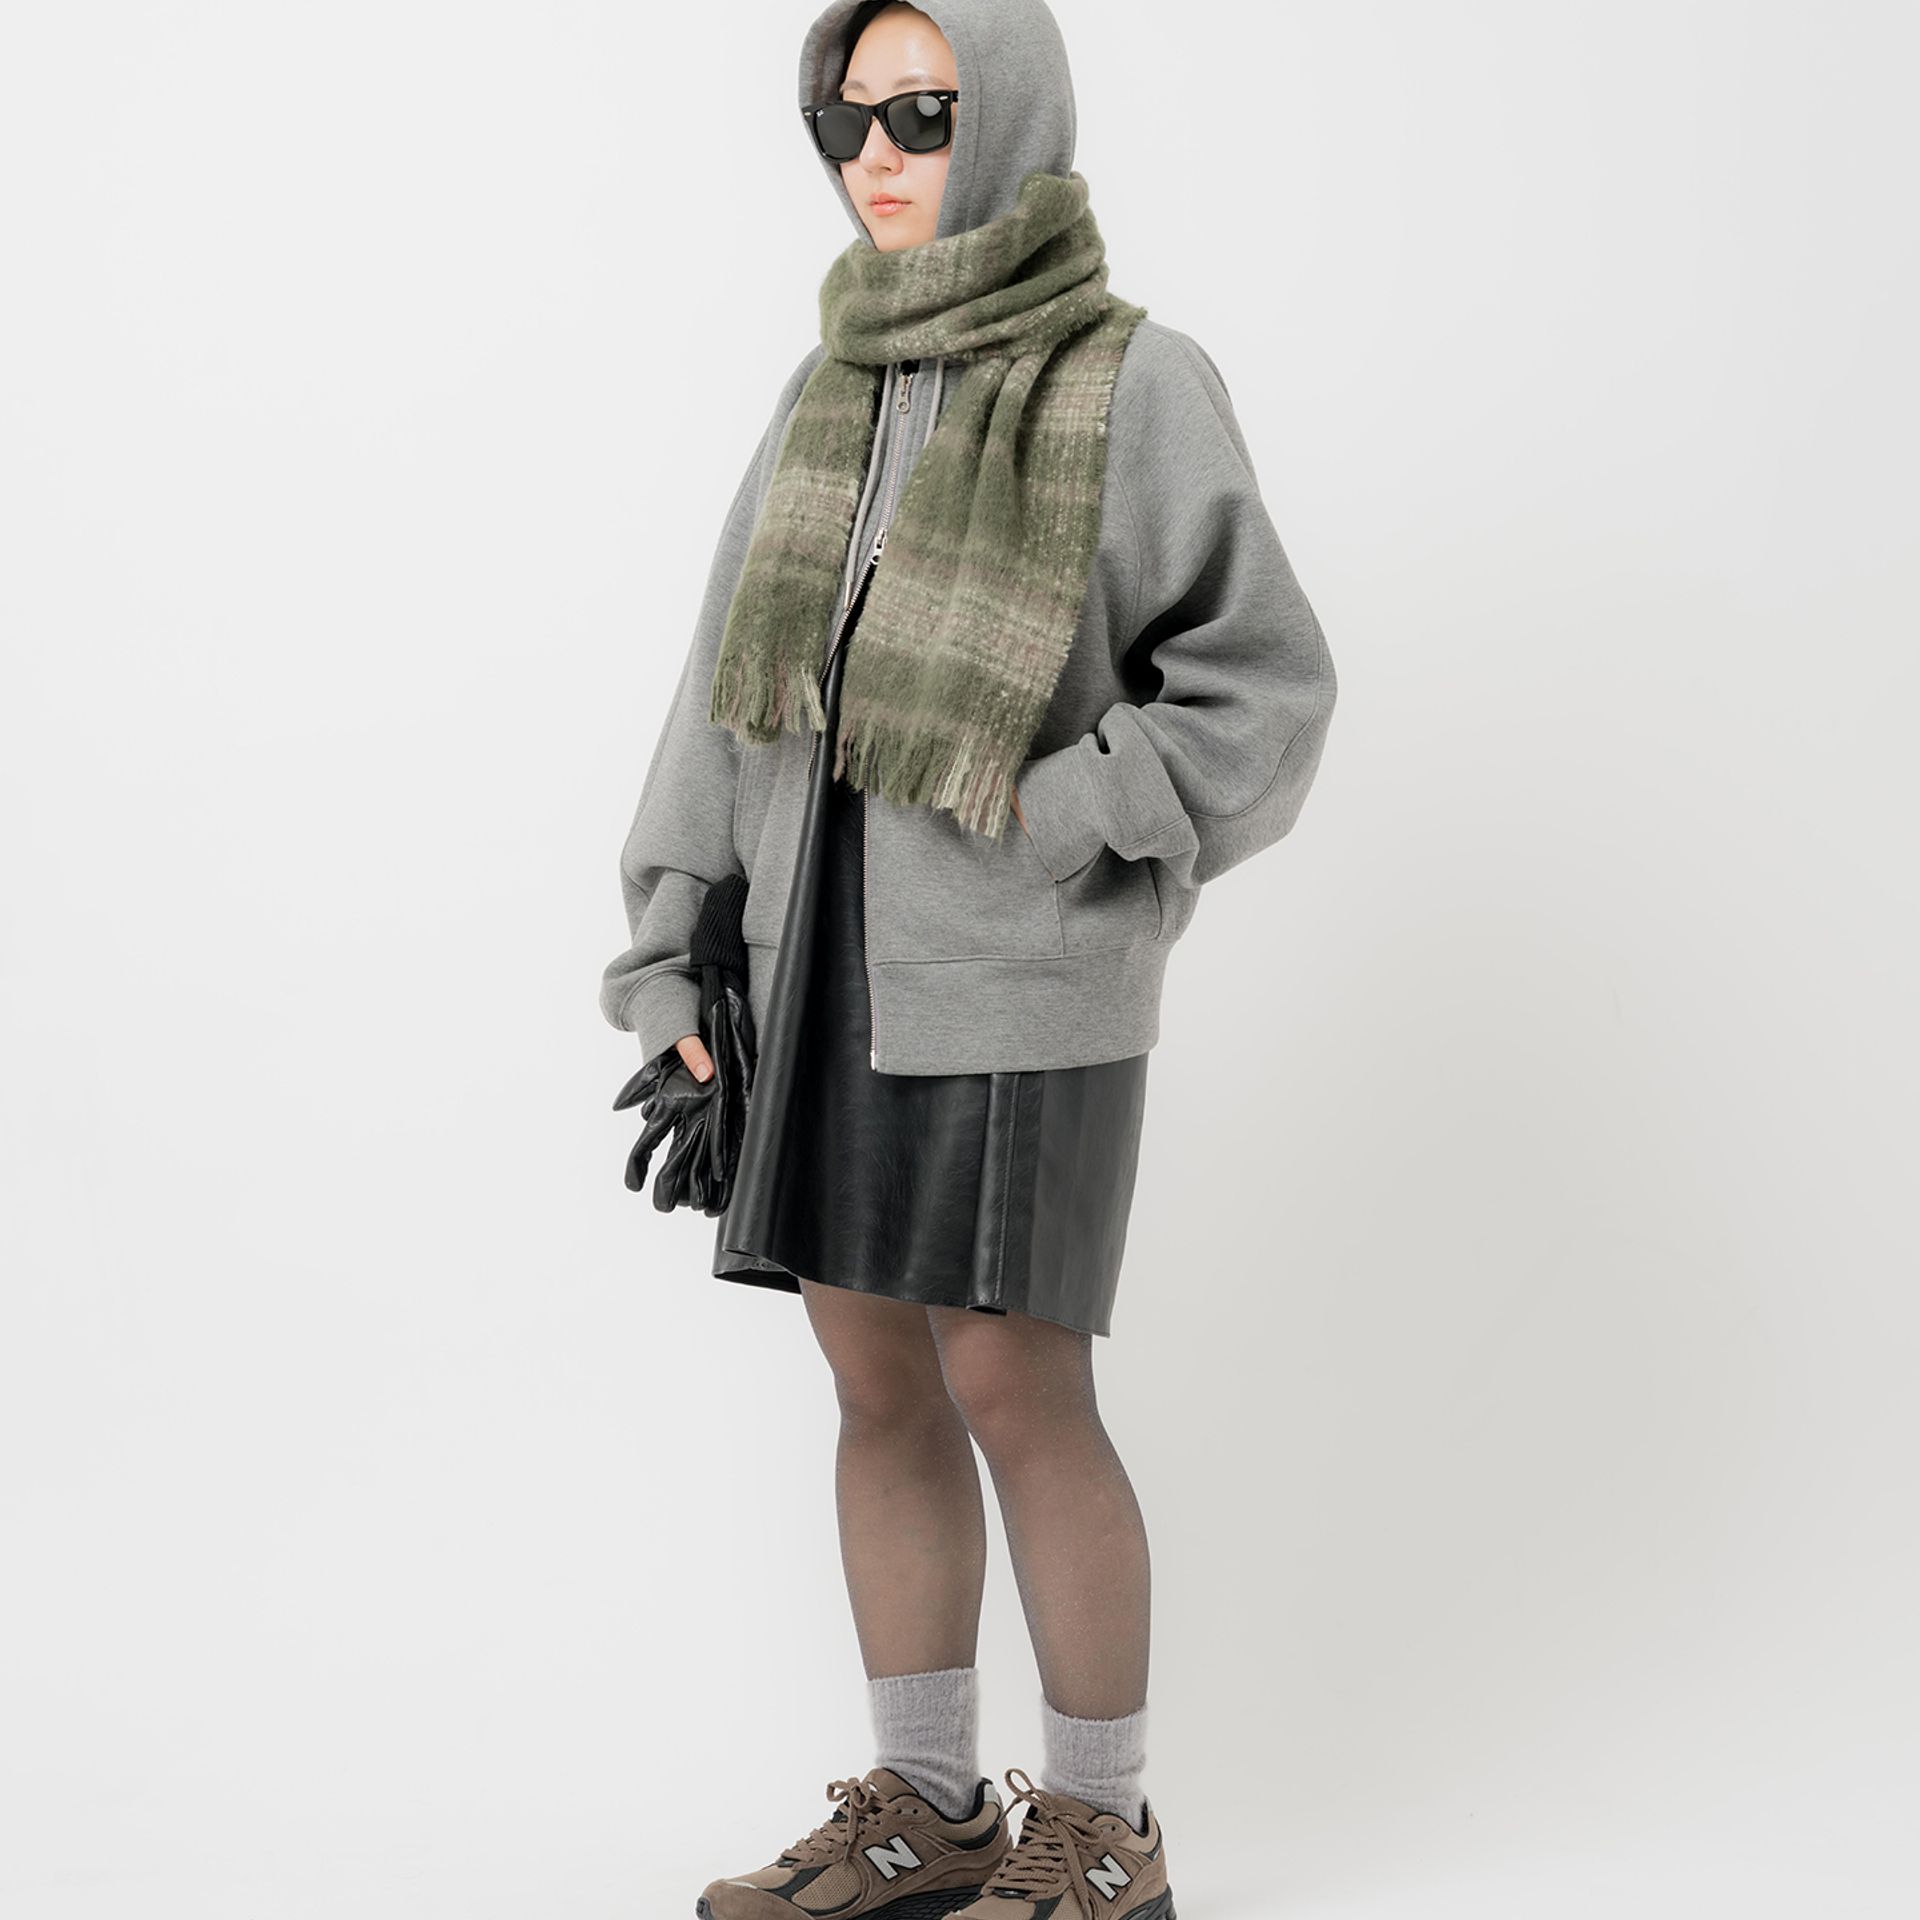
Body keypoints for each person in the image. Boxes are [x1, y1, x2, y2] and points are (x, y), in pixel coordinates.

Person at [598, 2, 1337, 1914]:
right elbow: (725, 694)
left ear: (1007, 110)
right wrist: (675, 942)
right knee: (875, 1381)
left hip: (1024, 971)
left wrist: (1080, 806)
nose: (877, 152)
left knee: (1017, 1383)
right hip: (815, 962)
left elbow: (1265, 686)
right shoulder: (825, 388)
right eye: (845, 117)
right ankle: (928, 1810)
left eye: (922, 112)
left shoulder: (1131, 378)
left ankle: (1105, 1832)